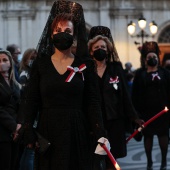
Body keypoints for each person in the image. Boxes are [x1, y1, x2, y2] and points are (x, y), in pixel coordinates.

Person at [19, 1, 108, 170]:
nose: (62, 34)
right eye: (58, 30)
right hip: (48, 130)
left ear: (74, 36)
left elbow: (92, 102)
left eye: (67, 31)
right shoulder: (41, 64)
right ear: (51, 34)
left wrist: (99, 131)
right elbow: (31, 99)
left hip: (77, 130)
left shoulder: (85, 65)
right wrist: (28, 127)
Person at [88, 26, 144, 170]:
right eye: (97, 47)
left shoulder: (116, 69)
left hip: (114, 121)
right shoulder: (86, 70)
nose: (100, 49)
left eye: (103, 47)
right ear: (91, 50)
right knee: (93, 159)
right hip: (92, 123)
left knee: (112, 161)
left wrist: (134, 117)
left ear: (108, 50)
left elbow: (125, 95)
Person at [132, 41, 170, 170]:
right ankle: (149, 163)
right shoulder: (140, 74)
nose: (152, 59)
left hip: (162, 113)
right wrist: (136, 113)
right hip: (146, 113)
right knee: (147, 137)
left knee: (163, 137)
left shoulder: (165, 73)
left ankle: (164, 162)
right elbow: (135, 94)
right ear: (145, 59)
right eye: (149, 58)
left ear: (158, 58)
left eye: (154, 57)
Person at [0, 50, 22, 170]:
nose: (2, 63)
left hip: (16, 134)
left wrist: (19, 126)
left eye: (4, 60)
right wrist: (14, 126)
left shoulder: (15, 84)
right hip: (3, 133)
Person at [19, 48, 37, 170]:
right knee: (29, 150)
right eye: (32, 58)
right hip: (28, 116)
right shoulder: (24, 75)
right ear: (26, 59)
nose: (34, 60)